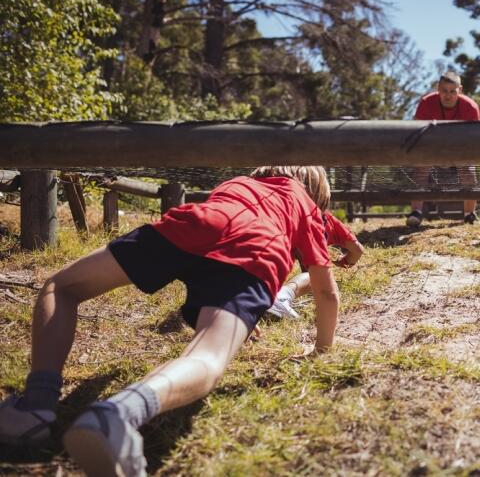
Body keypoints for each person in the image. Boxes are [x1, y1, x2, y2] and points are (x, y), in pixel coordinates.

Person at [0, 166, 339, 476]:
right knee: (207, 357)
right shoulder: (304, 204)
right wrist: (322, 347)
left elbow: (214, 248)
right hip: (259, 248)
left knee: (62, 286)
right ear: (315, 189)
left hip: (198, 220)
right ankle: (119, 414)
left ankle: (36, 407)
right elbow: (326, 293)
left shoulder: (239, 183)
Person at [405, 71, 480, 227]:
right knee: (420, 167)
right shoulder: (426, 102)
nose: (448, 95)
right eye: (444, 90)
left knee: (469, 170)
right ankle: (416, 212)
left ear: (460, 89)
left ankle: (469, 214)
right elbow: (416, 132)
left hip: (460, 149)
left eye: (452, 91)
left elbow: (474, 138)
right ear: (438, 89)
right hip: (431, 147)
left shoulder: (471, 107)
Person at [267, 210, 364, 319]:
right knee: (316, 276)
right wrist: (346, 262)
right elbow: (357, 250)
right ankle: (283, 295)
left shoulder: (283, 208)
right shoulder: (325, 217)